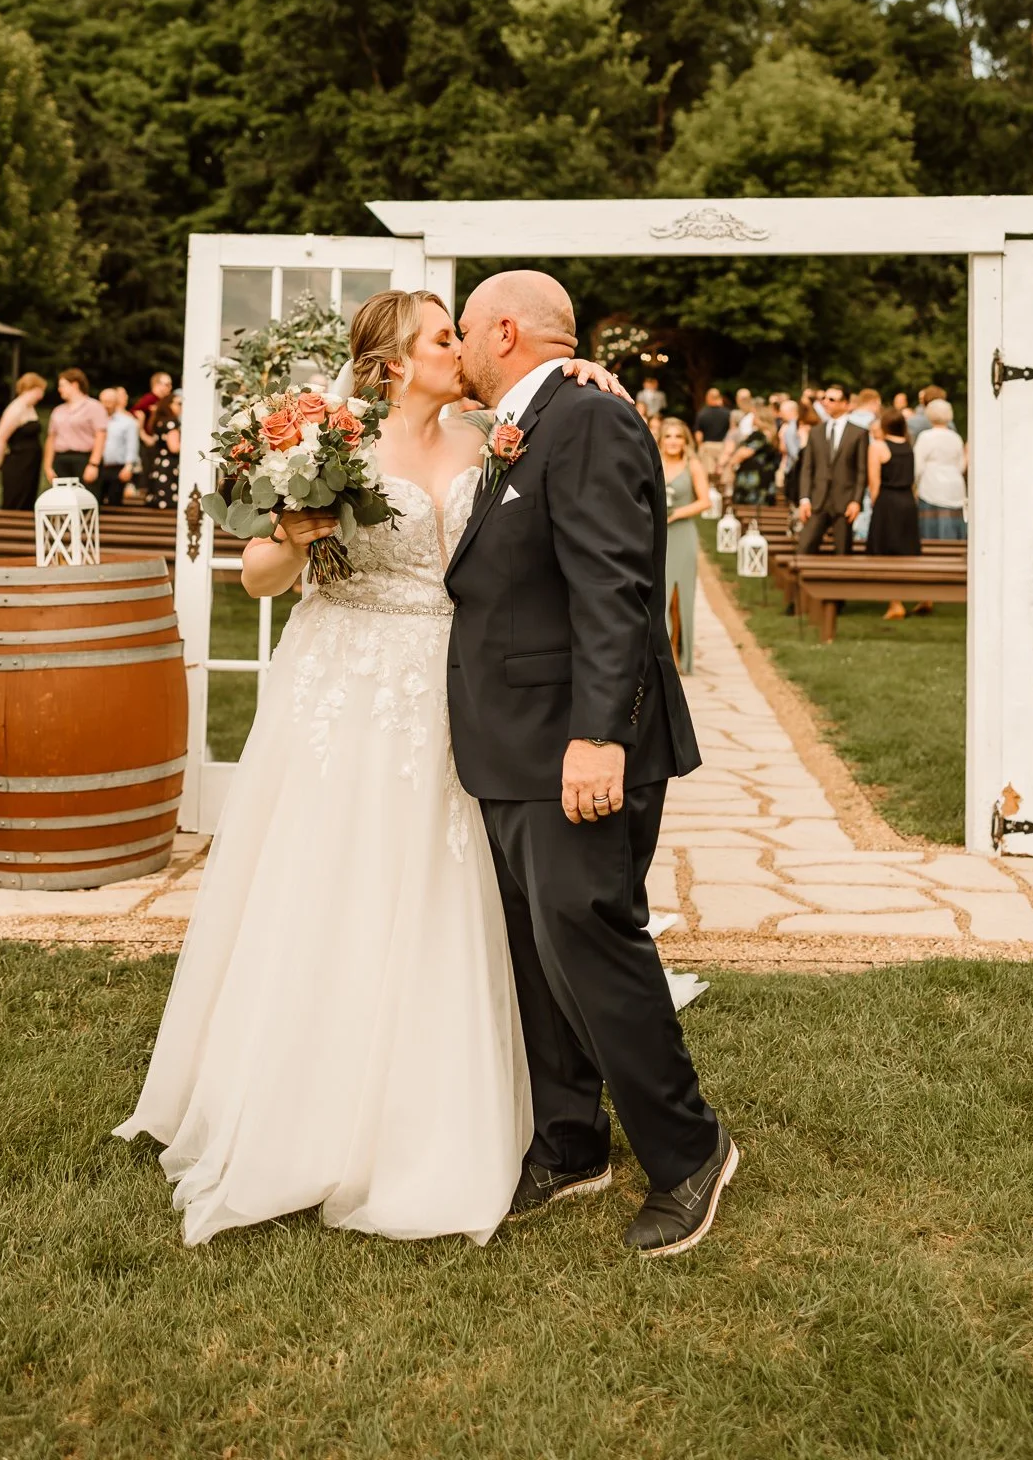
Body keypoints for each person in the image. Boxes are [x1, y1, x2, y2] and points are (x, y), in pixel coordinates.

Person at [115, 293, 630, 1247]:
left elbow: (554, 424)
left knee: (454, 885)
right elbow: (257, 575)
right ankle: (312, 1105)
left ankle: (469, 1105)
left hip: (458, 682)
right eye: (444, 337)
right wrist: (300, 537)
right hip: (347, 678)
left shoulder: (495, 434)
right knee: (334, 881)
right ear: (393, 361)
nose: (462, 350)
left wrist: (583, 372)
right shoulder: (329, 443)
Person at [450, 270, 734, 1258]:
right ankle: (570, 1141)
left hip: (573, 741)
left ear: (504, 329)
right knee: (539, 950)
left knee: (592, 939)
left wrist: (598, 734)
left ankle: (689, 1149)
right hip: (511, 743)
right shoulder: (530, 419)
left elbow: (617, 587)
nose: (458, 351)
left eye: (463, 334)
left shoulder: (589, 420)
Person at [657, 419, 710, 674]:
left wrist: (676, 513)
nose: (673, 441)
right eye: (669, 436)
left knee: (680, 597)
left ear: (685, 440)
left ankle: (679, 654)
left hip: (683, 533)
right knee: (660, 594)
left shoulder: (693, 465)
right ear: (661, 440)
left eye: (678, 436)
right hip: (659, 535)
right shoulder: (654, 461)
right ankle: (661, 654)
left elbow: (705, 501)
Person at [796, 384, 869, 554]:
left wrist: (856, 501)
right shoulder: (816, 432)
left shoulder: (858, 433)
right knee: (804, 548)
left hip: (844, 501)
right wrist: (804, 498)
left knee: (842, 551)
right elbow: (807, 468)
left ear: (845, 404)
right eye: (824, 398)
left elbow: (861, 470)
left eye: (832, 399)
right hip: (818, 500)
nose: (826, 402)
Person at [866, 407, 921, 619]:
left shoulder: (878, 447)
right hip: (907, 500)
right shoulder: (908, 446)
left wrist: (874, 505)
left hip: (887, 502)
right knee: (907, 550)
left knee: (887, 551)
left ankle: (895, 602)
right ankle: (924, 596)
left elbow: (874, 482)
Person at [0, 373, 45, 509]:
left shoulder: (29, 407)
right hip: (19, 463)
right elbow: (0, 438)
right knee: (17, 498)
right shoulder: (16, 408)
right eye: (41, 390)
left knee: (28, 498)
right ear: (33, 388)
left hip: (30, 463)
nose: (42, 395)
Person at [43, 369, 108, 494]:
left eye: (62, 385)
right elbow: (51, 438)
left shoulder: (94, 407)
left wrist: (93, 464)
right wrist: (48, 467)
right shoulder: (58, 410)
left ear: (74, 385)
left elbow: (100, 436)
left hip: (84, 459)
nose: (59, 389)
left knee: (86, 499)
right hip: (61, 459)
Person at [914, 399, 968, 540]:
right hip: (955, 486)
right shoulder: (955, 437)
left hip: (931, 486)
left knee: (931, 530)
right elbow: (961, 465)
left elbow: (917, 466)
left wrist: (914, 484)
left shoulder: (925, 437)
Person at [731, 403, 780, 508]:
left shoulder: (759, 435)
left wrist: (732, 462)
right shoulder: (773, 435)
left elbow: (744, 453)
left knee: (748, 511)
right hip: (766, 478)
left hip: (752, 480)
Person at [99, 386, 141, 506]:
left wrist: (128, 467)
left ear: (116, 403)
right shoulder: (95, 420)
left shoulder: (128, 422)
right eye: (103, 402)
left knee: (114, 503)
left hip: (117, 467)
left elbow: (132, 446)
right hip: (98, 466)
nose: (106, 405)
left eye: (109, 402)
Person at [143, 393, 182, 508]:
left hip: (158, 466)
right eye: (179, 404)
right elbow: (174, 447)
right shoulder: (171, 423)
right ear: (168, 405)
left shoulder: (158, 421)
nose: (181, 407)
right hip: (169, 468)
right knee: (168, 504)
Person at [693, 388, 730, 476]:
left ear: (708, 398)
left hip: (708, 447)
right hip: (723, 447)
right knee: (722, 474)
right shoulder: (728, 413)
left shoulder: (702, 414)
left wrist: (700, 446)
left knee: (708, 475)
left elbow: (698, 434)